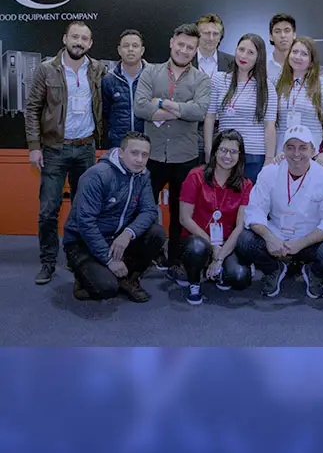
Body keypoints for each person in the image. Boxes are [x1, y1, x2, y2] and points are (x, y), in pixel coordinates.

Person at [25, 20, 105, 286]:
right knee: (48, 210)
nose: (78, 42)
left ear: (90, 44)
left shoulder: (98, 70)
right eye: (74, 37)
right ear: (65, 38)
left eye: (84, 39)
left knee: (85, 209)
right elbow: (33, 109)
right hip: (54, 150)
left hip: (86, 149)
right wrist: (34, 147)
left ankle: (77, 258)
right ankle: (48, 262)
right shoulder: (46, 70)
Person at [134, 24, 212, 278]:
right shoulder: (150, 72)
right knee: (144, 210)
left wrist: (162, 103)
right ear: (171, 43)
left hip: (185, 157)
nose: (184, 50)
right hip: (151, 155)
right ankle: (143, 258)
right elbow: (141, 108)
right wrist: (180, 109)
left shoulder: (201, 79)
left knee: (181, 213)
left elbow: (198, 112)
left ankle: (177, 260)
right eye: (181, 44)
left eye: (190, 47)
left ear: (196, 50)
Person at [236, 125, 323, 299]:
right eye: (290, 147)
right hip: (276, 235)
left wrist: (300, 244)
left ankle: (312, 272)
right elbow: (254, 212)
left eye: (303, 148)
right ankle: (274, 269)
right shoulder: (269, 173)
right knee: (244, 241)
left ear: (313, 150)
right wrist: (270, 238)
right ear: (283, 150)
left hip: (308, 238)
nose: (296, 154)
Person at [62, 132, 166, 302]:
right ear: (120, 152)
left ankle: (128, 278)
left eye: (144, 155)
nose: (139, 159)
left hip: (117, 237)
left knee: (157, 233)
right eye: (134, 153)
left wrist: (128, 233)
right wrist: (109, 259)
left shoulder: (143, 175)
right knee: (106, 288)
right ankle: (84, 278)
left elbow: (149, 211)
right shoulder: (97, 175)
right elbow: (86, 224)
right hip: (83, 242)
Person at [178, 129, 253, 306]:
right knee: (196, 248)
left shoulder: (246, 185)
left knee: (240, 278)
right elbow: (184, 219)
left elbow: (240, 226)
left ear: (240, 156)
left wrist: (220, 256)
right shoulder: (195, 176)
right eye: (223, 150)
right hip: (197, 238)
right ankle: (194, 282)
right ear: (214, 152)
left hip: (227, 243)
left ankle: (216, 269)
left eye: (234, 151)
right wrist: (213, 245)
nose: (228, 156)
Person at [203, 33, 277, 183]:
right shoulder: (219, 79)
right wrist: (209, 150)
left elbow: (269, 126)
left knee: (250, 203)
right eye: (241, 49)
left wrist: (269, 160)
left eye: (251, 52)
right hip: (224, 154)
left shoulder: (266, 86)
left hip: (253, 155)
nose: (244, 56)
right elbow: (209, 117)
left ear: (259, 57)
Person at [275, 37, 323, 164]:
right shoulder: (278, 83)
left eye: (304, 54)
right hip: (282, 156)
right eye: (295, 52)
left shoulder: (322, 85)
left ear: (311, 61)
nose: (298, 57)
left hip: (311, 156)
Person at [194, 13, 235, 158]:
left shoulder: (232, 63)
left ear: (220, 36)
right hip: (193, 127)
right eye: (206, 33)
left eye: (215, 33)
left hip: (222, 126)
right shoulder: (186, 61)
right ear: (198, 35)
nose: (211, 38)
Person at [102, 29, 148, 149]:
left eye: (135, 46)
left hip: (147, 143)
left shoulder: (152, 77)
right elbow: (105, 113)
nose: (130, 49)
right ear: (119, 50)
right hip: (118, 144)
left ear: (142, 50)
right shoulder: (109, 79)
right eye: (126, 46)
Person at [267, 13, 296, 84]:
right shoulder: (263, 65)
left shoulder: (301, 63)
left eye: (287, 31)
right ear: (271, 36)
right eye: (277, 31)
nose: (283, 35)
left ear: (294, 34)